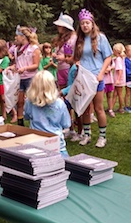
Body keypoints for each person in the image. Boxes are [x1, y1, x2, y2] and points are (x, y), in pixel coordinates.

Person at [74, 8, 113, 148]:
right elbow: (77, 58)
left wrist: (101, 73)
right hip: (83, 77)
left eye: (87, 23)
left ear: (92, 24)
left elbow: (108, 57)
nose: (85, 25)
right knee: (85, 108)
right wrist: (77, 63)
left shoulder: (100, 38)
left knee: (98, 108)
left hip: (96, 78)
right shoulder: (79, 39)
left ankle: (102, 136)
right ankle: (87, 134)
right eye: (83, 23)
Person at [24, 70, 72, 157]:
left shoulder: (29, 101)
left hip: (36, 142)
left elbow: (26, 116)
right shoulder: (59, 103)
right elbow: (66, 123)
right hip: (57, 144)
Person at [11, 26, 41, 126]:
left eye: (17, 36)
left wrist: (25, 68)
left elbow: (36, 65)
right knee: (19, 102)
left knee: (33, 101)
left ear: (23, 37)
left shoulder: (34, 49)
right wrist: (12, 68)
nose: (15, 38)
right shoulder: (16, 50)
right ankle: (20, 123)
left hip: (31, 78)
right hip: (20, 78)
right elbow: (17, 63)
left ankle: (36, 122)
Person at [51, 13, 77, 90]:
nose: (58, 27)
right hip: (60, 68)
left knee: (69, 89)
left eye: (60, 25)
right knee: (61, 90)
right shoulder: (61, 38)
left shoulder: (73, 38)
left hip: (68, 67)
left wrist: (63, 57)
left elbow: (76, 54)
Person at [112, 43, 126, 113]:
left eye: (113, 50)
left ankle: (121, 108)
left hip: (119, 79)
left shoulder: (118, 59)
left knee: (119, 94)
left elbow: (120, 71)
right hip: (120, 79)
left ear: (116, 51)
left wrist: (118, 80)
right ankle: (111, 108)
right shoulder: (120, 58)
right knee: (115, 93)